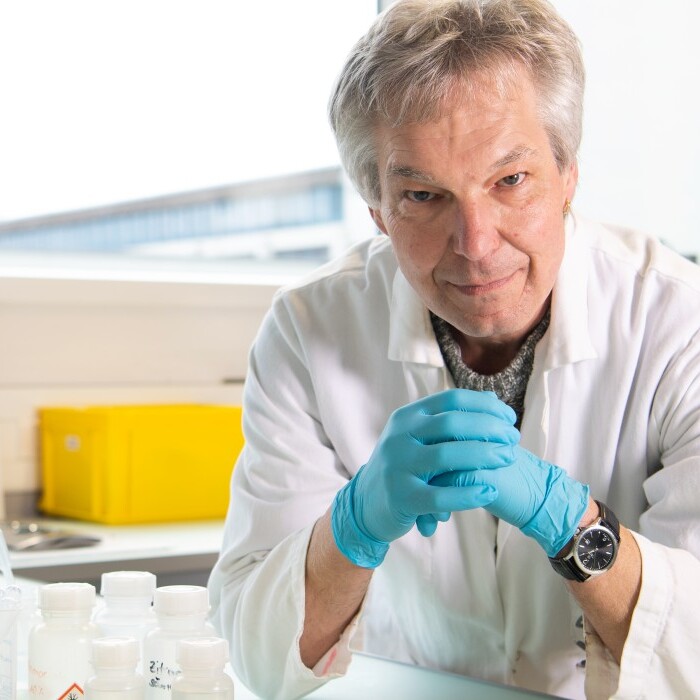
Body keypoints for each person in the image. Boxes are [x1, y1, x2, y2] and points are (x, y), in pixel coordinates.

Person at [208, 1, 700, 698]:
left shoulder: (683, 325)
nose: (476, 242)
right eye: (423, 195)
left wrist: (574, 526)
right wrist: (355, 524)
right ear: (378, 211)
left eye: (511, 181)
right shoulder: (306, 330)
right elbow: (259, 656)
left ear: (568, 174)